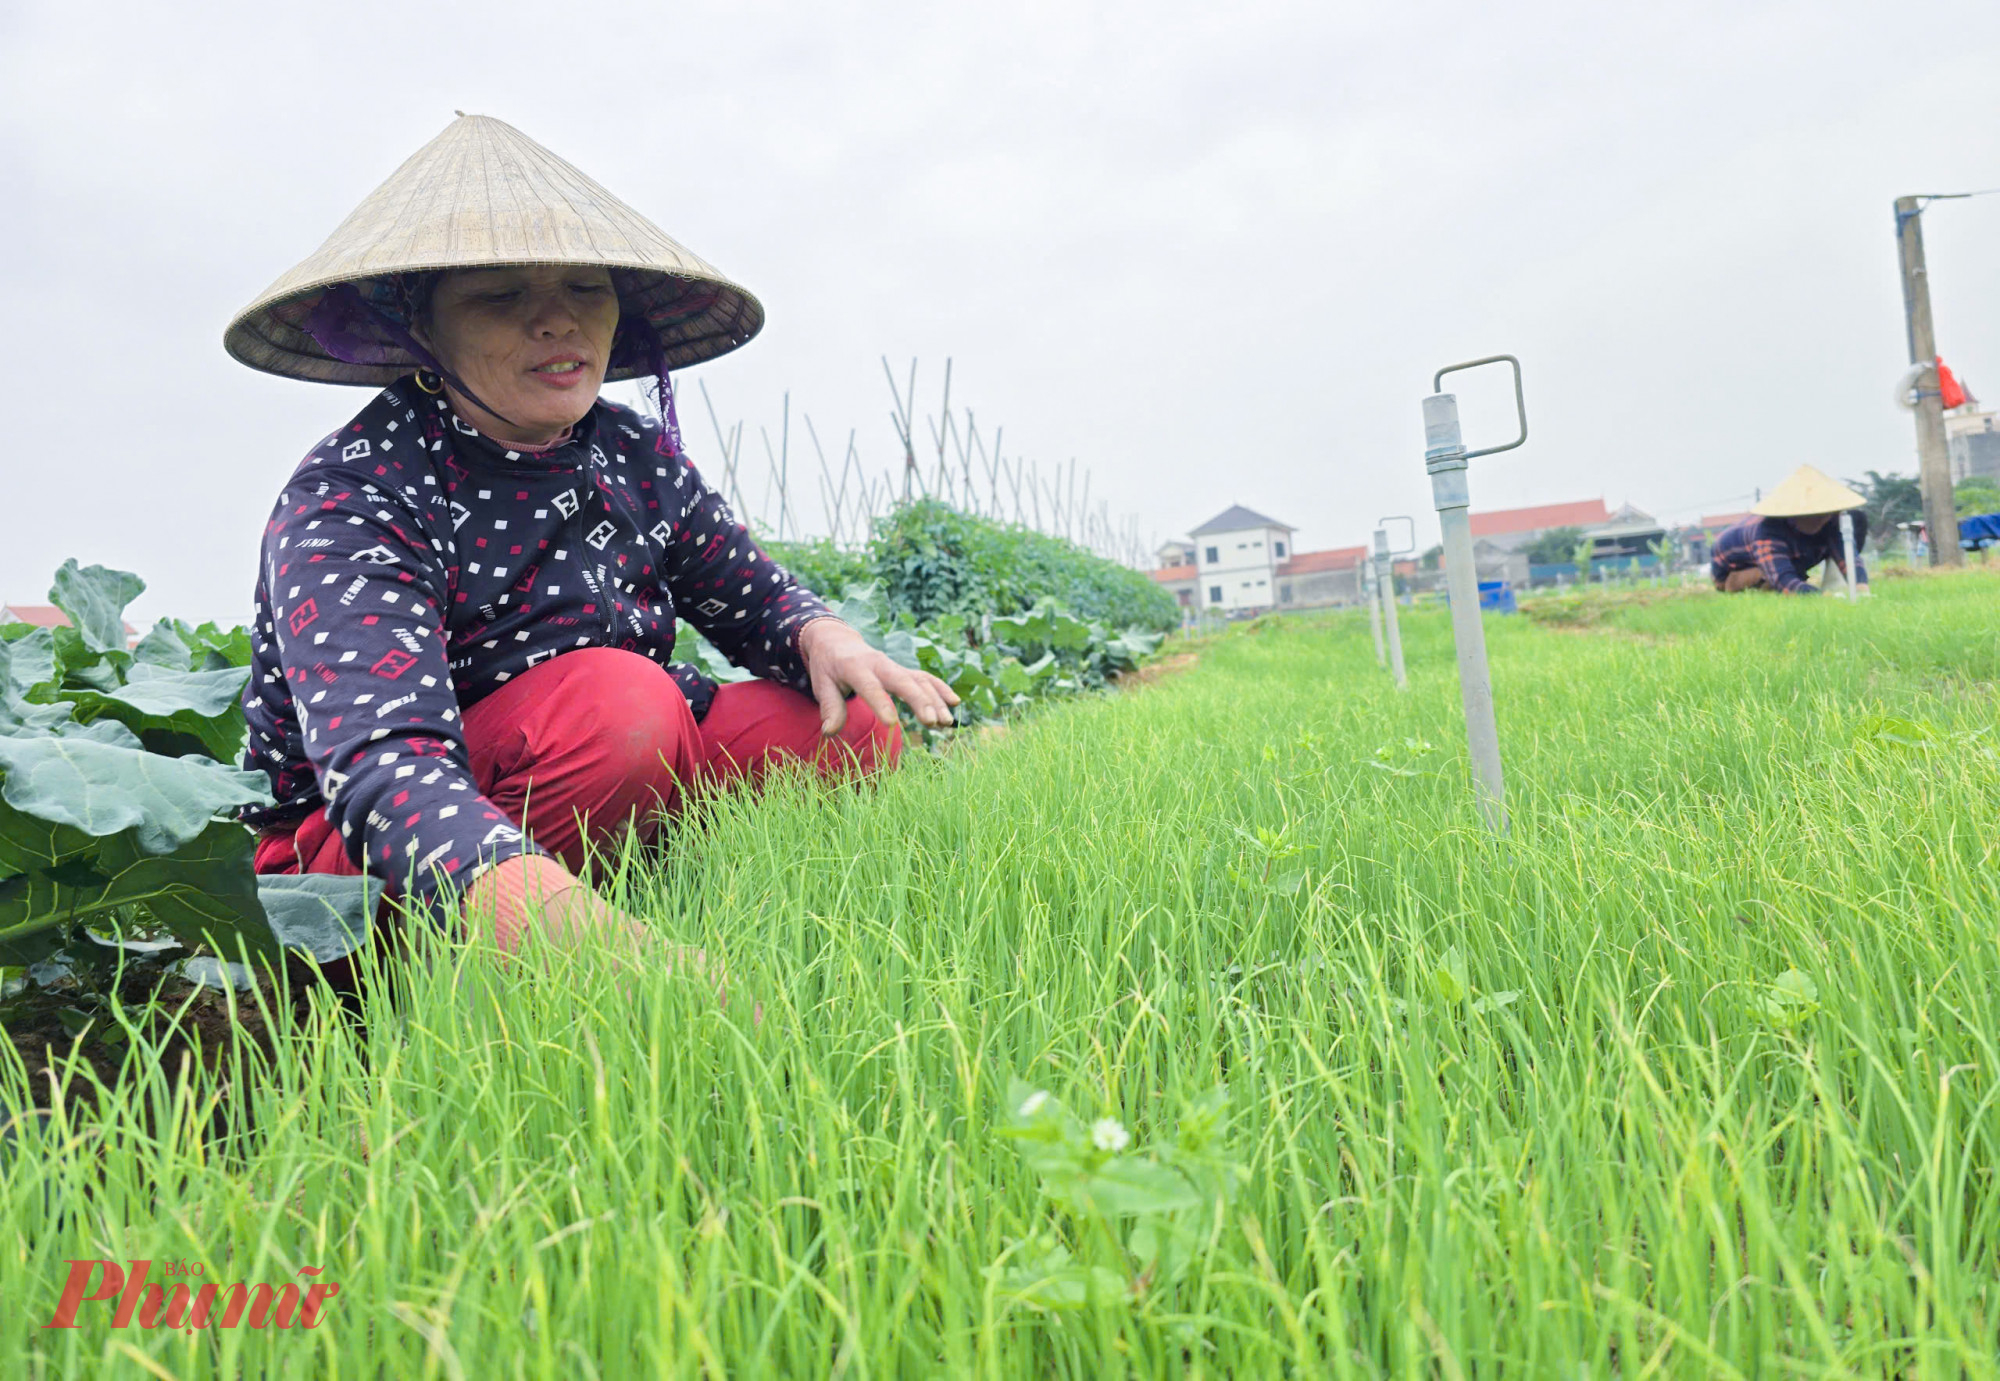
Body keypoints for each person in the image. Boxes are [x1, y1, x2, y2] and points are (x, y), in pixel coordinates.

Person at [223, 115, 958, 957]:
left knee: (852, 724)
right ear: (424, 327)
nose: (557, 321)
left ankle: (666, 900)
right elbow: (385, 771)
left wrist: (819, 631)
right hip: (363, 855)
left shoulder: (628, 451)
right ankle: (523, 955)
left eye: (585, 289)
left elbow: (747, 592)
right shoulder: (355, 494)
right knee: (623, 709)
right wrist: (631, 967)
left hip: (598, 769)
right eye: (502, 295)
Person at [1710, 466, 1870, 595]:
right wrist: (1823, 597)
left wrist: (1861, 587)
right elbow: (1783, 580)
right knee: (1775, 583)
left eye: (1825, 513)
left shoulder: (1831, 521)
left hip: (1794, 554)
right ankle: (1754, 587)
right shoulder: (1767, 531)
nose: (1821, 519)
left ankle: (1827, 582)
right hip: (1733, 574)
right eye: (1814, 514)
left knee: (1856, 519)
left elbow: (1848, 558)